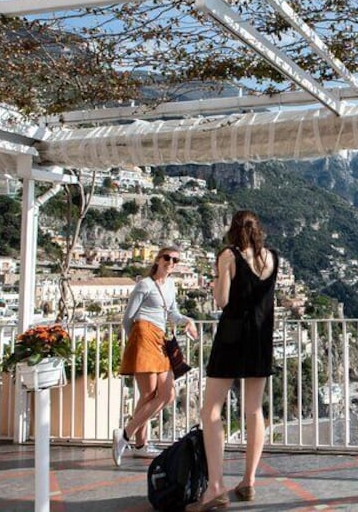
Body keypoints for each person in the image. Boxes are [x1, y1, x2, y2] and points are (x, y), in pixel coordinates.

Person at [186, 210, 279, 512]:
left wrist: (220, 274)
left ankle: (215, 487)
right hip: (261, 338)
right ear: (258, 230)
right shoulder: (272, 258)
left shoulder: (229, 255)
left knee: (211, 408)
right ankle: (248, 481)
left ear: (232, 229)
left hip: (232, 337)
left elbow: (222, 301)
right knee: (254, 408)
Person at [112, 246, 198, 466]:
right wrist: (137, 343)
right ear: (158, 259)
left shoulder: (170, 285)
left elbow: (173, 313)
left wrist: (188, 321)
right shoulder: (144, 285)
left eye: (175, 260)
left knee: (166, 394)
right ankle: (138, 444)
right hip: (144, 335)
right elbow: (127, 319)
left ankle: (125, 435)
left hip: (160, 339)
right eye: (167, 258)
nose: (171, 262)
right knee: (149, 393)